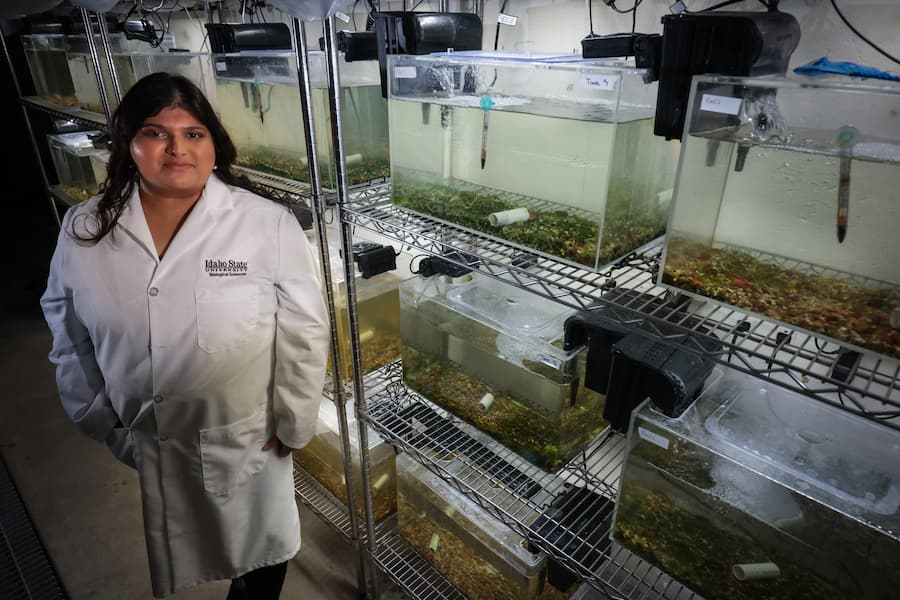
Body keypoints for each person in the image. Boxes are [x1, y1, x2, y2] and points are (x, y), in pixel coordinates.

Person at [40, 72, 330, 599]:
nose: (177, 148)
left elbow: (305, 332)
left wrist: (293, 422)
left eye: (194, 134)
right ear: (129, 144)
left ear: (214, 146)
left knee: (264, 550)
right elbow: (65, 324)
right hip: (145, 433)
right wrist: (98, 417)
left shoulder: (266, 225)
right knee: (176, 526)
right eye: (155, 133)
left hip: (246, 436)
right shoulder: (86, 228)